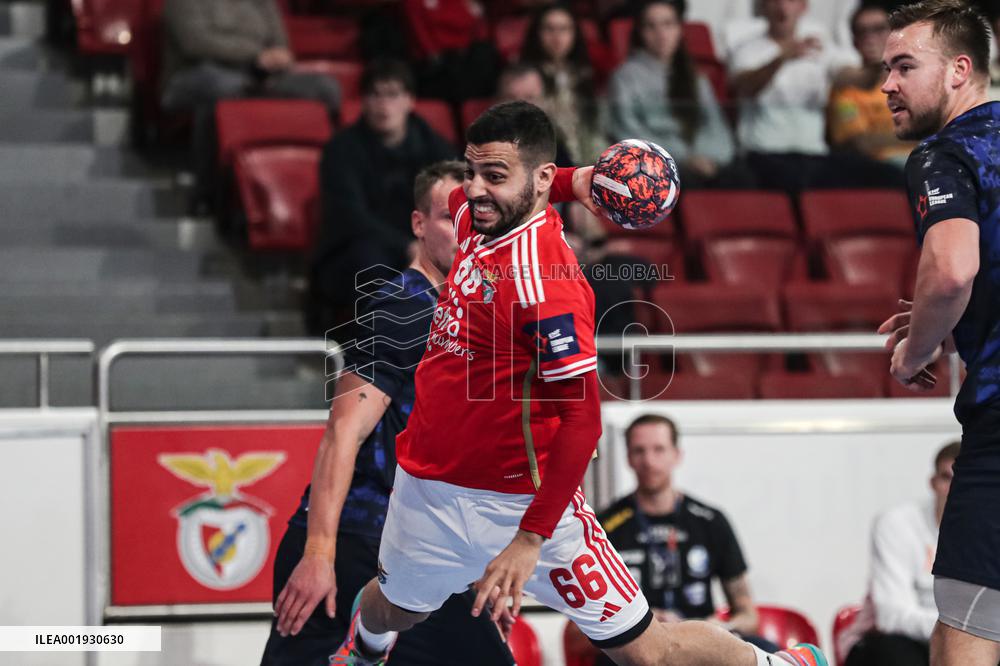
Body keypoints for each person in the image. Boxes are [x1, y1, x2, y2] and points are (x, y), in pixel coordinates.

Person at [328, 101, 828, 666]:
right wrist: (576, 179)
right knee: (394, 611)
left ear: (537, 179)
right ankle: (364, 651)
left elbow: (583, 421)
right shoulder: (472, 216)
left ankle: (782, 663)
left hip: (524, 506)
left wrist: (530, 540)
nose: (474, 190)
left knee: (648, 654)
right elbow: (485, 191)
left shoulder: (551, 288)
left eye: (494, 176)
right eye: (472, 171)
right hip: (427, 487)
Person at [261, 161, 516, 666]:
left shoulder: (461, 316)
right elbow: (343, 432)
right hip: (359, 544)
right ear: (419, 224)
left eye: (476, 218)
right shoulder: (403, 307)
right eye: (450, 218)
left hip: (418, 548)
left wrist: (483, 564)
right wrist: (319, 555)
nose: (467, 232)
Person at [876, 1, 1000, 664]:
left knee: (962, 633)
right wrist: (954, 322)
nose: (886, 85)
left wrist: (914, 350)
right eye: (884, 69)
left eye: (903, 66)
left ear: (959, 70)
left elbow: (951, 271)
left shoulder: (945, 152)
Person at [583, 414, 777, 666]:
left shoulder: (710, 520)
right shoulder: (603, 525)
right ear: (628, 458)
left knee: (767, 651)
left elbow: (748, 615)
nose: (649, 461)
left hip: (703, 645)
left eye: (659, 449)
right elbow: (582, 626)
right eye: (639, 451)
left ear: (676, 455)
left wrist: (718, 628)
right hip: (639, 645)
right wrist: (643, 621)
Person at [309, 60, 455, 334]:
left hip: (422, 243)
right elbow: (350, 216)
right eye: (375, 94)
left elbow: (453, 204)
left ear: (410, 100)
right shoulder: (341, 149)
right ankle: (376, 349)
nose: (383, 104)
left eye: (393, 94)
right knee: (369, 263)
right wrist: (406, 246)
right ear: (363, 101)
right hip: (357, 249)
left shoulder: (437, 148)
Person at [161, 0, 341, 208]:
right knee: (224, 88)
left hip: (260, 75)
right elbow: (196, 44)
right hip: (197, 74)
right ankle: (207, 191)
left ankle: (331, 184)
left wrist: (278, 56)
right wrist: (256, 55)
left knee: (325, 88)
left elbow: (279, 41)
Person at [729, 0, 904, 191]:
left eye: (790, 1)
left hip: (814, 157)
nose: (783, 8)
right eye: (775, 1)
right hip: (763, 156)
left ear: (803, 6)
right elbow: (745, 87)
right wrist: (782, 58)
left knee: (888, 177)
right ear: (763, 6)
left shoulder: (819, 46)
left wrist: (877, 65)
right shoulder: (747, 49)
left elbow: (858, 80)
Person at [841, 442, 960, 666]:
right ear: (933, 483)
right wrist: (963, 630)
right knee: (895, 651)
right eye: (947, 478)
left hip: (961, 642)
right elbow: (892, 616)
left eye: (963, 481)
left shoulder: (989, 533)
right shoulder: (897, 524)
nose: (955, 489)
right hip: (889, 643)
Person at [608, 0, 738, 188]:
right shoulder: (624, 77)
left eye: (668, 24)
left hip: (707, 161)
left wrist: (709, 158)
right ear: (640, 33)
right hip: (657, 166)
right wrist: (685, 158)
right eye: (651, 26)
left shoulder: (696, 77)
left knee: (743, 178)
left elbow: (718, 129)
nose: (661, 34)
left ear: (679, 30)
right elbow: (629, 133)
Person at [828, 3, 916, 168]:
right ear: (854, 41)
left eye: (879, 29)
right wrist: (916, 134)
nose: (870, 37)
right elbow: (859, 143)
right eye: (862, 31)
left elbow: (937, 130)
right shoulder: (845, 88)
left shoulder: (914, 82)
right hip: (873, 171)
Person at [519, 3, 607, 165]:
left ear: (575, 34)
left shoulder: (583, 73)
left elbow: (595, 128)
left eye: (564, 29)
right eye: (549, 29)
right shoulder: (525, 78)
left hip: (588, 159)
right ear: (536, 33)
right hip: (549, 159)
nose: (557, 37)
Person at [496, 64, 575, 167]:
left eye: (530, 97)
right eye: (511, 97)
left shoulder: (556, 147)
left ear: (544, 102)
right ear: (497, 102)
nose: (521, 106)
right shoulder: (482, 149)